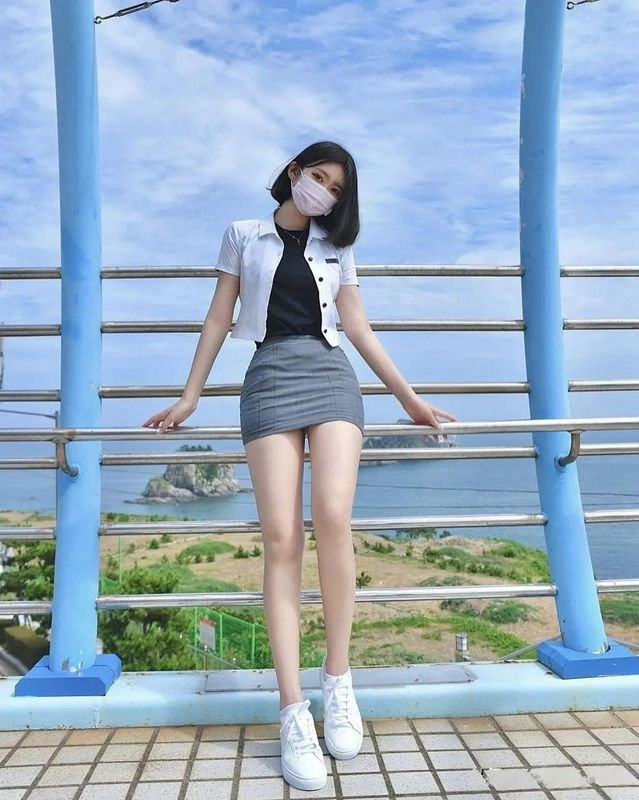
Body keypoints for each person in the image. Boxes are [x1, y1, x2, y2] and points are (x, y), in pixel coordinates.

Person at [142, 140, 458, 791]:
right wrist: (190, 395)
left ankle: (338, 682)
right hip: (268, 377)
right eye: (318, 177)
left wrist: (410, 399)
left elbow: (357, 325)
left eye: (336, 188)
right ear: (293, 172)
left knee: (334, 517)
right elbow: (218, 317)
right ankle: (292, 711)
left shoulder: (337, 246)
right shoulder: (243, 234)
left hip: (330, 374)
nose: (324, 192)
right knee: (282, 539)